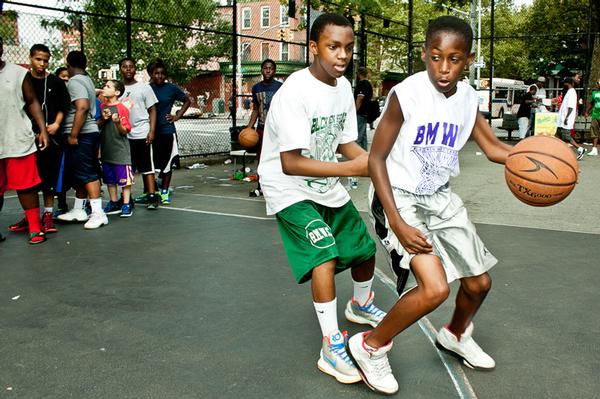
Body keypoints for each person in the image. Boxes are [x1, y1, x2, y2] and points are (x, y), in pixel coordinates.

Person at [347, 16, 514, 395]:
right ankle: (370, 346)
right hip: (399, 197)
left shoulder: (468, 98)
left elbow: (493, 148)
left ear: (467, 60)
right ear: (424, 53)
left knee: (479, 283)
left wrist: (541, 157)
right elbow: (376, 160)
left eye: (453, 59)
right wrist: (396, 222)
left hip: (439, 197)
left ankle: (455, 334)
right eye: (435, 57)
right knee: (435, 288)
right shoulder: (406, 94)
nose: (443, 67)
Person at [257, 13, 386, 386]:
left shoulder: (343, 87)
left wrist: (372, 163)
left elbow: (344, 144)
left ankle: (360, 303)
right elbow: (291, 162)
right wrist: (353, 171)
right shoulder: (295, 92)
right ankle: (331, 345)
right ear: (313, 48)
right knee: (324, 255)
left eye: (348, 47)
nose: (342, 55)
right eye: (332, 47)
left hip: (324, 182)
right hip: (288, 186)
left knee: (363, 249)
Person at [7, 44, 70, 235]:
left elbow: (63, 106)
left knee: (49, 178)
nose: (42, 64)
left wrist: (56, 124)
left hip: (51, 137)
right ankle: (30, 217)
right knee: (30, 180)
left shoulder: (55, 82)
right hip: (26, 137)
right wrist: (31, 130)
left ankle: (48, 216)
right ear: (31, 58)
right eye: (38, 59)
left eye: (45, 60)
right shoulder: (22, 79)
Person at [0, 36, 50, 244]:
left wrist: (43, 130)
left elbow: (32, 102)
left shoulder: (18, 73)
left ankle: (35, 228)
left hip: (18, 139)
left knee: (26, 186)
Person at [56, 50, 108, 229]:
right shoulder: (86, 79)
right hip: (88, 133)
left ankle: (98, 214)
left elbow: (83, 107)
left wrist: (73, 134)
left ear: (68, 65)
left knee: (87, 172)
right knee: (80, 172)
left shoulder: (75, 81)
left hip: (82, 134)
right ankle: (79, 209)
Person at [148, 59, 191, 205]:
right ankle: (150, 191)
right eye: (156, 73)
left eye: (162, 73)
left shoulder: (171, 88)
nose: (159, 76)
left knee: (167, 164)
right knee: (150, 164)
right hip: (150, 132)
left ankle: (164, 191)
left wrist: (177, 116)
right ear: (151, 74)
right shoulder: (147, 89)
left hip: (167, 130)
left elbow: (187, 100)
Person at [118, 58, 160, 209]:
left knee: (147, 166)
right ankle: (126, 199)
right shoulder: (116, 89)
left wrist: (152, 130)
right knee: (127, 167)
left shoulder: (144, 88)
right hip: (124, 134)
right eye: (125, 67)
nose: (128, 69)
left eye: (131, 67)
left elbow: (152, 110)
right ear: (120, 69)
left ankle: (151, 196)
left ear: (135, 69)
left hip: (142, 132)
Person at [246, 59, 282, 197]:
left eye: (271, 68)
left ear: (274, 71)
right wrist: (249, 128)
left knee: (278, 158)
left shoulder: (280, 87)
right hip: (262, 128)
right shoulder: (256, 88)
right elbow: (255, 109)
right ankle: (261, 187)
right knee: (262, 159)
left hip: (277, 129)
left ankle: (278, 186)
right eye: (265, 68)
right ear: (261, 70)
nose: (268, 70)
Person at [98, 80, 134, 217]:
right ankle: (113, 202)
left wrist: (117, 122)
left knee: (125, 181)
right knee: (110, 180)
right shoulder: (102, 106)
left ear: (117, 92)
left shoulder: (122, 108)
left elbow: (125, 131)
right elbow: (98, 125)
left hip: (120, 150)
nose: (104, 88)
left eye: (108, 86)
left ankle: (126, 204)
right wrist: (103, 119)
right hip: (107, 150)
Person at [349, 66, 374, 188]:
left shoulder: (361, 85)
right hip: (366, 112)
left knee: (358, 135)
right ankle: (365, 156)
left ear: (359, 74)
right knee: (363, 135)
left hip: (360, 112)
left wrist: (354, 111)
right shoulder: (369, 84)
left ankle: (359, 159)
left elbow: (359, 98)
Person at [556, 77, 585, 159]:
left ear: (569, 84)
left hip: (566, 118)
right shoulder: (568, 92)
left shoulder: (572, 92)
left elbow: (571, 107)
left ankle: (580, 149)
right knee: (558, 135)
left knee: (567, 137)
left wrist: (566, 118)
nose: (564, 85)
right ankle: (559, 152)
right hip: (562, 118)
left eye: (566, 83)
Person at [584, 79, 600, 156]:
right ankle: (594, 149)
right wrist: (587, 112)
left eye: (598, 83)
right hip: (595, 115)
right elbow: (591, 103)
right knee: (594, 131)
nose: (596, 84)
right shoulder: (594, 93)